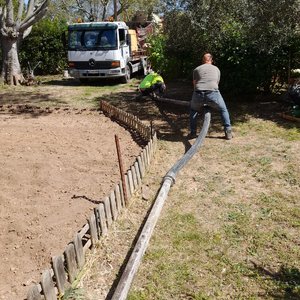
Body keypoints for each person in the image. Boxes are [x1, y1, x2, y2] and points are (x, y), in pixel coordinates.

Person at [189, 53, 232, 140]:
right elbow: (217, 83)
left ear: (202, 61)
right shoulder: (216, 69)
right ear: (211, 60)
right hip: (213, 93)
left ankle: (193, 133)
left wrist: (197, 96)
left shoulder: (197, 69)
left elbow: (194, 84)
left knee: (193, 110)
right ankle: (228, 132)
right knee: (223, 109)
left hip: (198, 93)